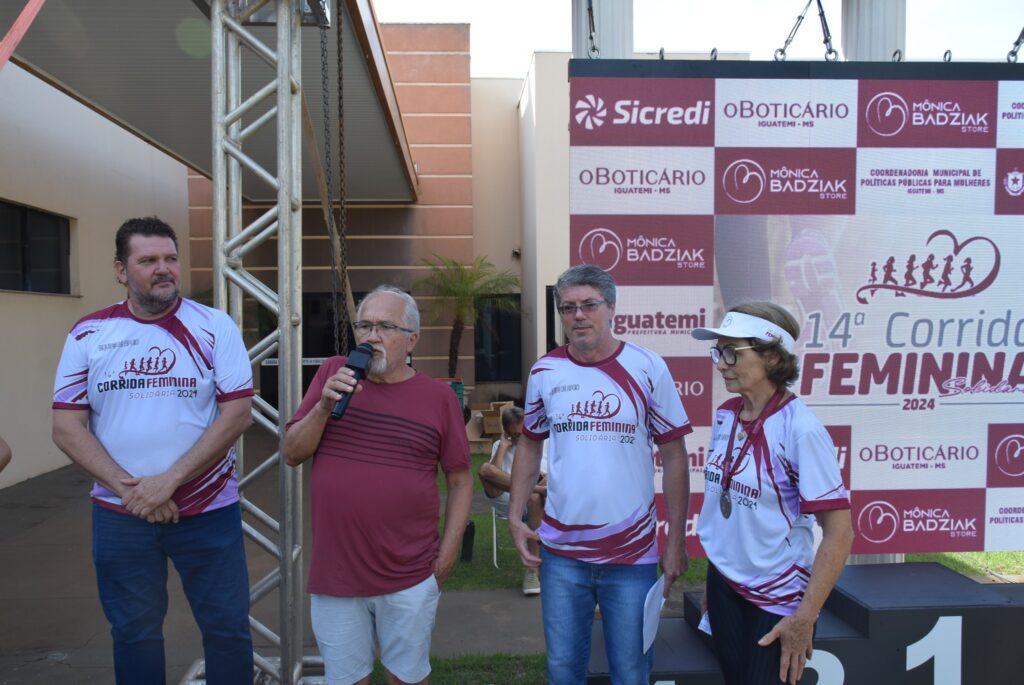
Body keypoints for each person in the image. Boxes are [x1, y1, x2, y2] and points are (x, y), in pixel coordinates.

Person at [51, 216, 255, 684]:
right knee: (133, 633)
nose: (163, 269)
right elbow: (66, 427)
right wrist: (134, 492)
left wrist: (168, 482)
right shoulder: (88, 333)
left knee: (226, 631)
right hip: (121, 515)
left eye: (170, 259)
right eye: (148, 261)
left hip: (208, 510)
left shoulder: (214, 326)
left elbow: (237, 415)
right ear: (121, 270)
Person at [507, 264, 692, 685]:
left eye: (589, 305)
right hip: (561, 556)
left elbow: (675, 457)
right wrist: (515, 516)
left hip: (631, 557)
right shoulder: (545, 372)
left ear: (611, 308)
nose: (577, 316)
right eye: (567, 307)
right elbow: (530, 445)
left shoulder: (648, 367)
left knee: (631, 672)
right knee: (562, 670)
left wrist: (676, 541)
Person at [282, 285, 473, 685]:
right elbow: (292, 453)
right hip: (337, 574)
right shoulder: (333, 373)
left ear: (412, 340)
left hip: (410, 571)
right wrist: (322, 406)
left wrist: (448, 554)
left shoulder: (438, 398)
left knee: (406, 677)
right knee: (347, 679)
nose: (372, 336)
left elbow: (459, 480)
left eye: (386, 326)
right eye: (364, 326)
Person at [690, 302, 853, 685]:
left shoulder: (802, 430)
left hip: (777, 595)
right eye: (718, 351)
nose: (720, 363)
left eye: (732, 352)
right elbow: (727, 510)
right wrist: (721, 575)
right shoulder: (727, 415)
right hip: (725, 586)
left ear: (772, 356)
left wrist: (804, 616)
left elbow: (840, 532)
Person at [477, 406, 547, 595]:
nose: (521, 438)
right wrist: (503, 447)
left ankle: (531, 571)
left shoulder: (544, 442)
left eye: (524, 432)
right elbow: (491, 476)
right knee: (485, 469)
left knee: (534, 495)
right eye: (516, 434)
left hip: (539, 501)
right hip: (509, 500)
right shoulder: (500, 446)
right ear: (507, 432)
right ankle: (535, 489)